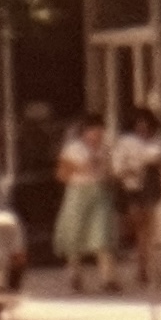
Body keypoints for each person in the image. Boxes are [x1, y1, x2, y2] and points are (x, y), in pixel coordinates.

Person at [53, 115, 117, 291]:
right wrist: (80, 168)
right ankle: (75, 275)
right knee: (75, 234)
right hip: (78, 192)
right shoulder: (73, 149)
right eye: (93, 130)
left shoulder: (105, 149)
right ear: (84, 132)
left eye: (100, 130)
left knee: (102, 233)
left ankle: (108, 278)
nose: (97, 134)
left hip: (100, 191)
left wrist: (109, 176)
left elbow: (110, 172)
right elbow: (61, 174)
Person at [109, 105, 161, 290]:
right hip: (131, 187)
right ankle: (142, 264)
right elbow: (117, 168)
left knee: (148, 228)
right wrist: (131, 168)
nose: (143, 128)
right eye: (139, 124)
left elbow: (159, 160)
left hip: (150, 185)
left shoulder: (157, 140)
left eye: (146, 124)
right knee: (138, 226)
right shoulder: (126, 142)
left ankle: (145, 266)